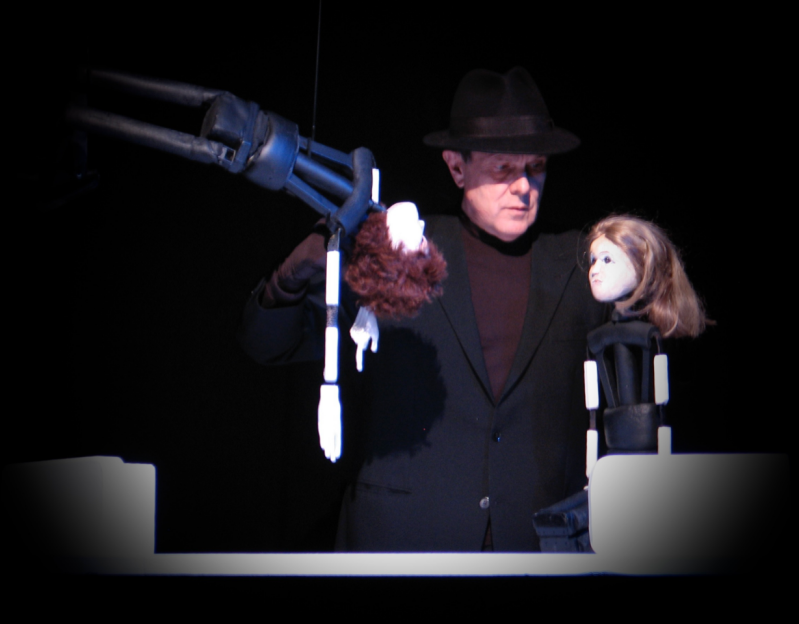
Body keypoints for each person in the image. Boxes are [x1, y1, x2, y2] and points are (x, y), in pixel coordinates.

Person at [237, 67, 607, 551]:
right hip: (405, 542)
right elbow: (268, 344)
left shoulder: (583, 264)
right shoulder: (401, 247)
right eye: (503, 168)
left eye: (535, 166)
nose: (523, 186)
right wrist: (292, 273)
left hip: (540, 543)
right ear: (457, 167)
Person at [585, 214, 709, 338]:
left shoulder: (651, 335)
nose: (594, 270)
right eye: (593, 260)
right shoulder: (599, 331)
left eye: (607, 260)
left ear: (642, 262)